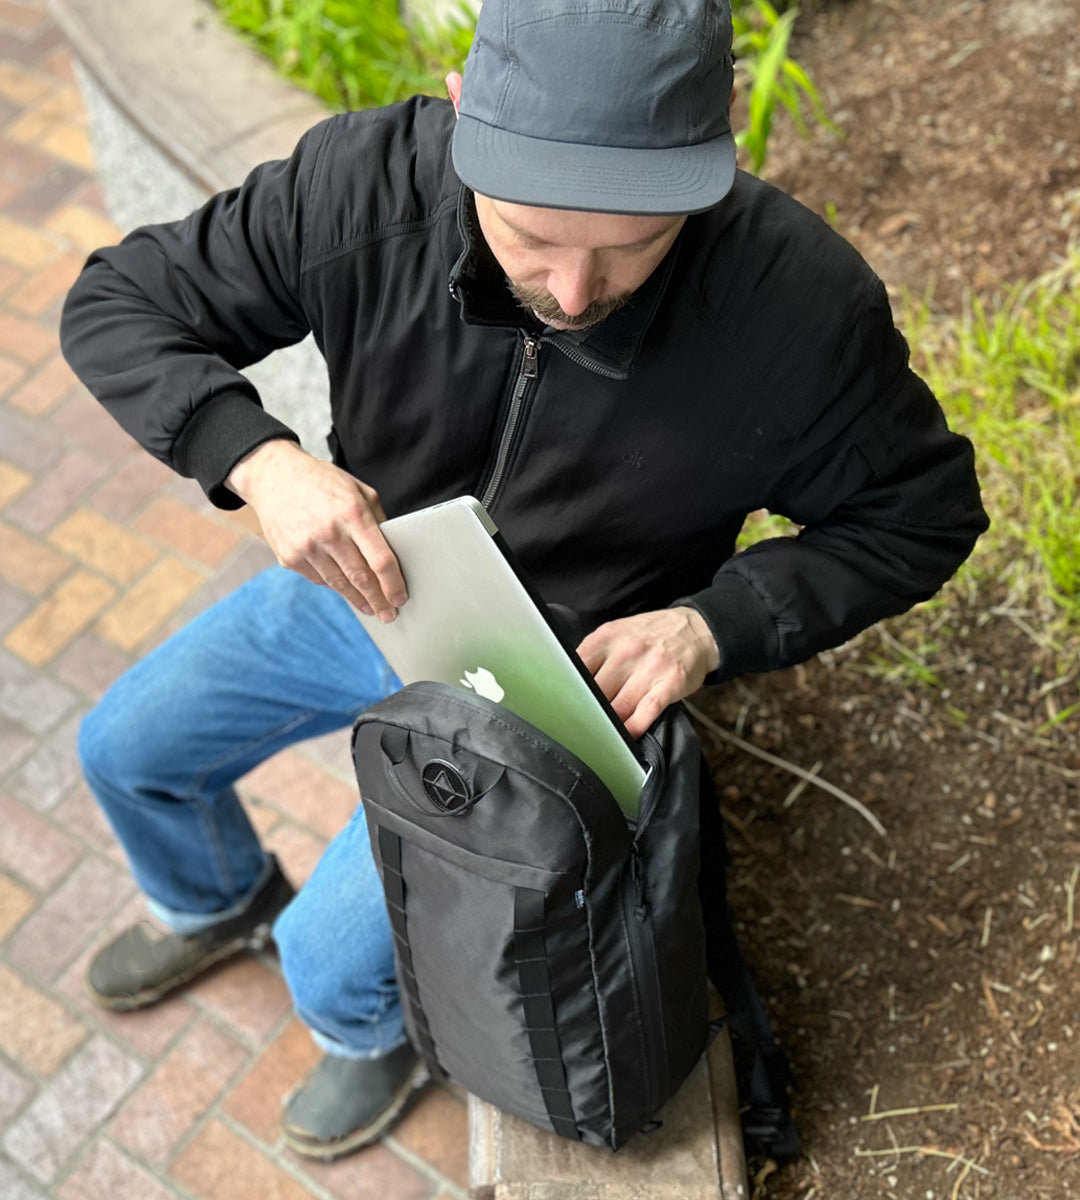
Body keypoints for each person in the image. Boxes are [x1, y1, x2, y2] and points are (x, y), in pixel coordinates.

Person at [60, 0, 986, 1162]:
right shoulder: (365, 181)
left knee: (332, 961)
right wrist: (254, 458)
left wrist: (715, 625)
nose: (577, 288)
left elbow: (921, 516)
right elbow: (118, 300)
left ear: (720, 149)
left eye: (636, 244)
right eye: (530, 233)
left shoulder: (800, 309)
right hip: (369, 580)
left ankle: (366, 1036)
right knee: (125, 750)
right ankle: (213, 898)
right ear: (461, 113)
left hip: (558, 681)